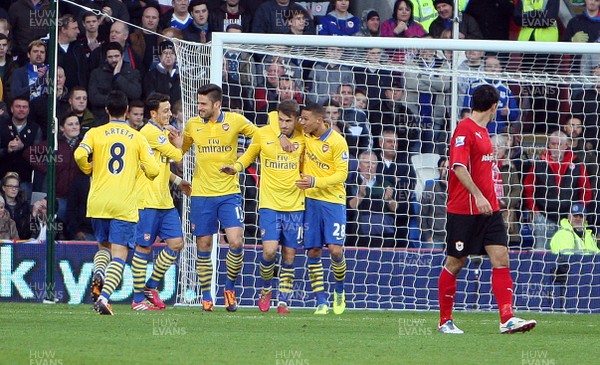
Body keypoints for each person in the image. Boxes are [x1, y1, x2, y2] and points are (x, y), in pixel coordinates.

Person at [438, 84, 536, 334]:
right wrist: (479, 196)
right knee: (455, 262)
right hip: (463, 210)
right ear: (493, 106)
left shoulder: (483, 131)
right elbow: (458, 167)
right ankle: (444, 321)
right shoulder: (464, 130)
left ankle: (507, 318)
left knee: (501, 258)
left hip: (490, 210)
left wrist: (494, 200)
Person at [74, 90, 159, 315]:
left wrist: (88, 168)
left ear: (107, 110)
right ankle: (104, 297)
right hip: (124, 204)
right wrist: (142, 172)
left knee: (103, 247)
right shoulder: (138, 137)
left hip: (98, 202)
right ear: (127, 112)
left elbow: (79, 155)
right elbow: (153, 169)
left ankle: (99, 273)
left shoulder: (94, 132)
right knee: (120, 254)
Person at [221, 100, 305, 314]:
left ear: (297, 120)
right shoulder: (264, 133)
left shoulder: (305, 137)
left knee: (289, 255)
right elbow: (248, 157)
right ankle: (266, 288)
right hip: (269, 204)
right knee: (268, 252)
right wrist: (236, 167)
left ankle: (284, 300)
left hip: (296, 205)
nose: (284, 124)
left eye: (288, 121)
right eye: (281, 120)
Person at [182, 83, 258, 312]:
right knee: (203, 245)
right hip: (202, 194)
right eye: (198, 102)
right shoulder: (192, 125)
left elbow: (260, 139)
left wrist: (239, 165)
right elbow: (181, 150)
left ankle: (229, 289)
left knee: (236, 241)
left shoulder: (235, 121)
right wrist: (169, 141)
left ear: (217, 104)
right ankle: (206, 296)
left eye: (203, 103)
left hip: (228, 193)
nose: (199, 107)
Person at [130, 92, 190, 311]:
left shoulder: (160, 132)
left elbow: (163, 164)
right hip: (146, 200)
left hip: (164, 200)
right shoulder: (149, 132)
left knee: (176, 244)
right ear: (153, 113)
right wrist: (179, 142)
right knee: (143, 248)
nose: (169, 114)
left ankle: (151, 286)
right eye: (164, 111)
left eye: (169, 110)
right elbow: (177, 156)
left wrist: (177, 181)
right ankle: (137, 300)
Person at [295, 102, 349, 315]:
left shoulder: (337, 142)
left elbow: (342, 175)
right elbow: (275, 118)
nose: (301, 122)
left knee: (335, 250)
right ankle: (320, 300)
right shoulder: (304, 134)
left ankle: (339, 290)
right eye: (300, 118)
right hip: (310, 201)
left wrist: (315, 181)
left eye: (305, 119)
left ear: (319, 120)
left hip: (333, 201)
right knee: (314, 250)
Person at [0, 172, 30, 239]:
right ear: (3, 188)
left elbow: (26, 230)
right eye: (10, 186)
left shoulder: (24, 205)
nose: (14, 189)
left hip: (20, 240)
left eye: (16, 186)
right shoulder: (0, 205)